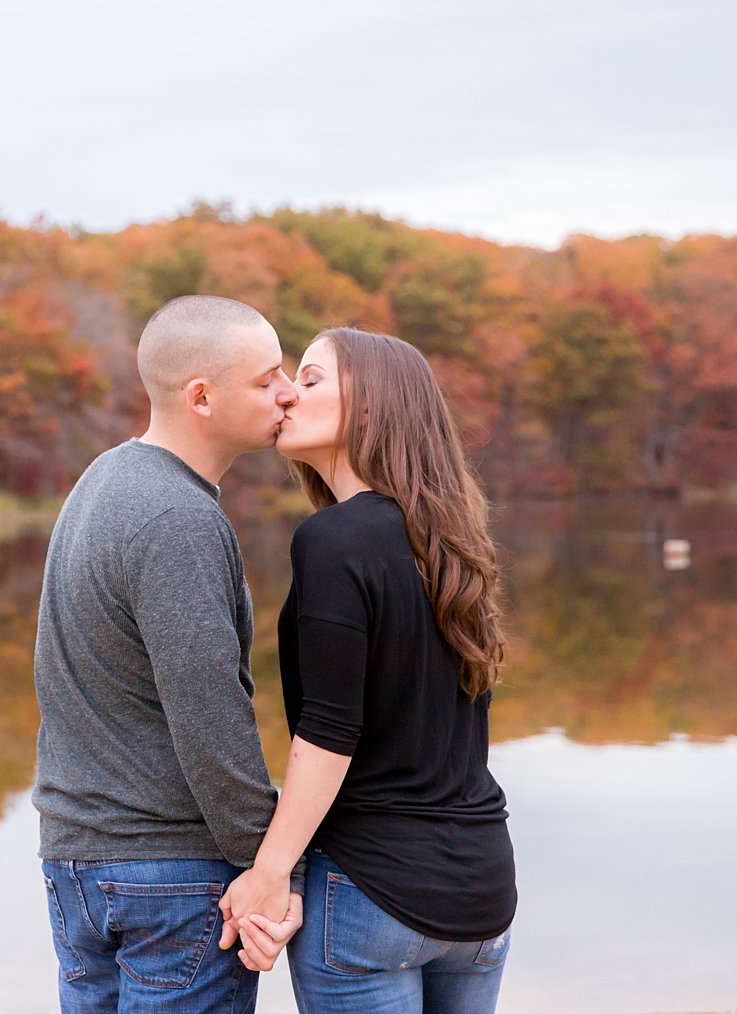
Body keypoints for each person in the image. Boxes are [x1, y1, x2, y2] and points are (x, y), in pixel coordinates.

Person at [220, 328, 517, 1013]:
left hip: (372, 894)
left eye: (313, 379)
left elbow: (328, 734)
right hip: (483, 890)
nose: (289, 393)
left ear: (370, 409)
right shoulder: (452, 542)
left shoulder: (334, 539)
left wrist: (268, 874)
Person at [33, 295, 305, 1013]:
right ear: (202, 397)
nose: (287, 392)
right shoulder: (175, 518)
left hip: (78, 863)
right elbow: (210, 713)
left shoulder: (105, 480)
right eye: (266, 378)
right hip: (167, 876)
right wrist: (270, 867)